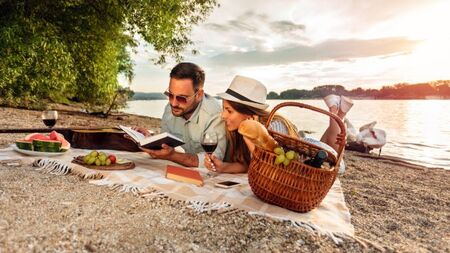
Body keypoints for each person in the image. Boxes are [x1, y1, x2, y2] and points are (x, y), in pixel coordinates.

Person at [204, 75, 351, 173]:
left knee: (336, 163)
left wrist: (250, 139)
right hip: (306, 152)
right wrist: (222, 167)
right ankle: (339, 112)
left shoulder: (274, 127)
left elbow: (273, 170)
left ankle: (336, 113)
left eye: (229, 111)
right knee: (325, 146)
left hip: (305, 154)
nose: (223, 116)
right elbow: (246, 164)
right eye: (224, 109)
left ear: (248, 114)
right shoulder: (236, 129)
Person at [133, 62, 226, 167]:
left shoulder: (214, 114)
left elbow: (214, 159)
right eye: (170, 95)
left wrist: (173, 156)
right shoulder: (170, 108)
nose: (173, 103)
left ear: (199, 95)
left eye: (182, 98)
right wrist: (150, 139)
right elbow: (166, 143)